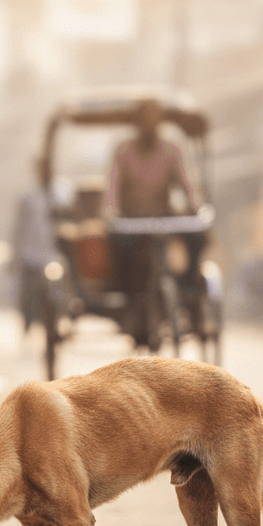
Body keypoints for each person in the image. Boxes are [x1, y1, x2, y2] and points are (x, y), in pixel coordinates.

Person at [106, 100, 197, 349]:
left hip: (163, 216)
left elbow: (186, 184)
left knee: (197, 237)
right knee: (116, 245)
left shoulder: (171, 150)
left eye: (154, 122)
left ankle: (190, 295)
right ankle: (130, 305)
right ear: (137, 125)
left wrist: (194, 204)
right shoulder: (123, 151)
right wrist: (110, 210)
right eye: (144, 122)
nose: (149, 127)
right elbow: (112, 187)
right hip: (131, 220)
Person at [12, 156, 64, 333]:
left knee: (57, 293)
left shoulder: (61, 195)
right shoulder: (28, 198)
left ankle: (57, 322)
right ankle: (27, 327)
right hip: (31, 256)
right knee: (28, 297)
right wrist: (15, 255)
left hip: (53, 256)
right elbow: (18, 228)